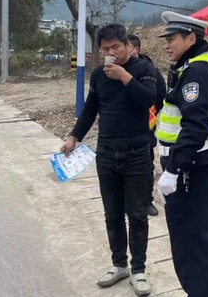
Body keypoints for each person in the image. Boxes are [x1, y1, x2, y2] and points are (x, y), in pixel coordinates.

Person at [60, 24, 156, 296]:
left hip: (137, 153)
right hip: (106, 153)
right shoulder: (99, 75)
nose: (111, 53)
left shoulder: (144, 69)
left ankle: (139, 269)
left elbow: (149, 99)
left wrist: (125, 76)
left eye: (116, 47)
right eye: (105, 49)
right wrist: (73, 137)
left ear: (127, 46)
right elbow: (90, 110)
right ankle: (119, 264)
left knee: (137, 214)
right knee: (112, 213)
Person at [156, 11, 208, 297]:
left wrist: (173, 170)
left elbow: (195, 125)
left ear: (191, 39)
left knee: (189, 244)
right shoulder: (204, 64)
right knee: (206, 239)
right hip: (204, 162)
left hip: (191, 168)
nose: (167, 45)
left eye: (172, 39)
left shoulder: (196, 70)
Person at [127, 34, 166, 218]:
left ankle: (147, 200)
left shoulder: (151, 70)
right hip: (124, 127)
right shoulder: (117, 70)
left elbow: (161, 95)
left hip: (146, 125)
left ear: (136, 49)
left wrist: (151, 113)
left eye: (127, 46)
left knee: (146, 165)